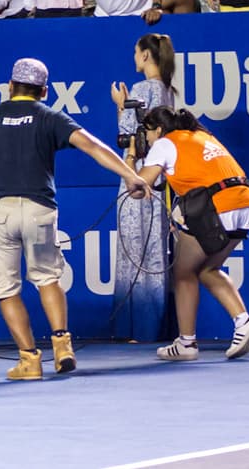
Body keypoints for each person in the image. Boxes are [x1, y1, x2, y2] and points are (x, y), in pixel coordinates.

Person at [0, 57, 148, 380]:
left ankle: (29, 360)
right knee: (48, 278)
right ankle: (63, 346)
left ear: (9, 87)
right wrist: (130, 175)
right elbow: (92, 147)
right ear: (44, 91)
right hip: (39, 210)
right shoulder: (51, 117)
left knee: (6, 289)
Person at [130, 106, 249, 362]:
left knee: (183, 273)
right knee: (206, 270)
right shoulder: (201, 136)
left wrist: (129, 157)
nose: (146, 139)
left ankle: (186, 343)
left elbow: (138, 187)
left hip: (218, 208)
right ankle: (243, 322)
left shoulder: (165, 142)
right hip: (245, 204)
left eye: (146, 133)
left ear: (158, 129)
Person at [110, 33, 176, 342]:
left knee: (134, 251)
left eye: (136, 52)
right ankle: (152, 327)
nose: (134, 57)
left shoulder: (141, 89)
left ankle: (136, 329)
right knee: (154, 253)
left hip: (137, 175)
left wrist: (121, 106)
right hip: (159, 179)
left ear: (146, 56)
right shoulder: (167, 91)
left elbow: (127, 137)